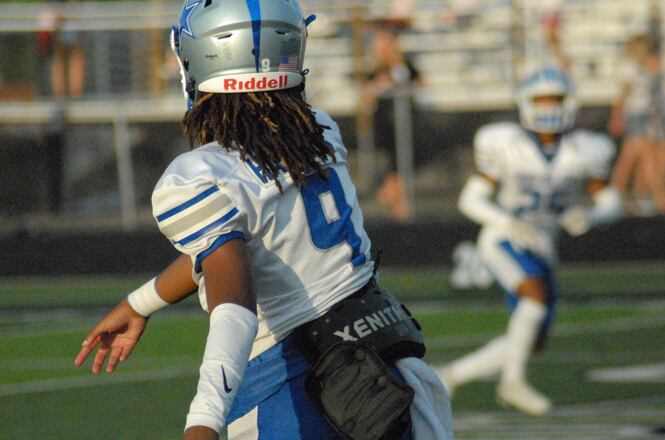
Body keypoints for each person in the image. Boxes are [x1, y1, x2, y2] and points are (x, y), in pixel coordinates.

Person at [73, 1, 452, 439]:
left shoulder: (200, 175)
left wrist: (203, 421)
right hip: (390, 369)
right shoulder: (320, 133)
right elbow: (248, 246)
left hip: (295, 388)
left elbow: (234, 304)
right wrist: (140, 303)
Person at [436, 66, 623, 415]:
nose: (548, 107)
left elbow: (613, 202)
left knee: (530, 341)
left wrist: (590, 215)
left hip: (542, 243)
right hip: (503, 237)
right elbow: (470, 200)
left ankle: (450, 376)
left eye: (555, 99)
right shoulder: (506, 143)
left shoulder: (586, 149)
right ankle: (512, 383)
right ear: (525, 103)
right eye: (541, 99)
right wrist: (506, 221)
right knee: (534, 300)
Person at [609, 34, 665, 215]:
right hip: (635, 115)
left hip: (645, 115)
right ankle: (659, 197)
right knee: (644, 157)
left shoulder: (643, 66)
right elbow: (624, 94)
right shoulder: (629, 68)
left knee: (630, 158)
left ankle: (623, 195)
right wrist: (617, 116)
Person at [360, 26, 422, 222]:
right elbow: (366, 94)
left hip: (405, 120)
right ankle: (393, 197)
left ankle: (397, 198)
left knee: (401, 158)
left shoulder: (403, 64)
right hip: (384, 122)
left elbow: (416, 82)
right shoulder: (373, 69)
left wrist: (395, 63)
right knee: (392, 159)